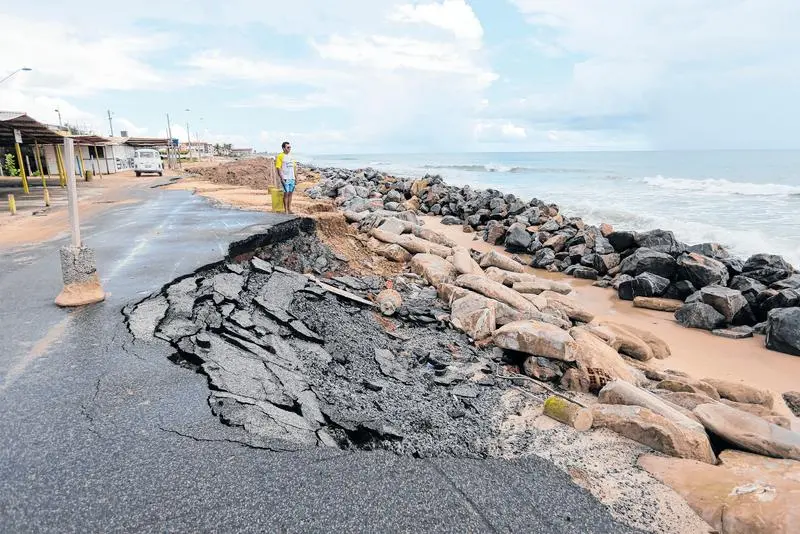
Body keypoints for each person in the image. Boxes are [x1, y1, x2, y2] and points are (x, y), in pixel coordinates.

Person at [275, 141, 296, 214]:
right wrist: (282, 178)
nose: (289, 148)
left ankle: (289, 209)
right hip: (285, 178)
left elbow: (294, 167)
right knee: (286, 193)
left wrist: (296, 177)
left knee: (290, 193)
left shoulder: (292, 156)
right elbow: (278, 168)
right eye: (288, 147)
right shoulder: (280, 156)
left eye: (290, 147)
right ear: (283, 148)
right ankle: (286, 210)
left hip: (292, 178)